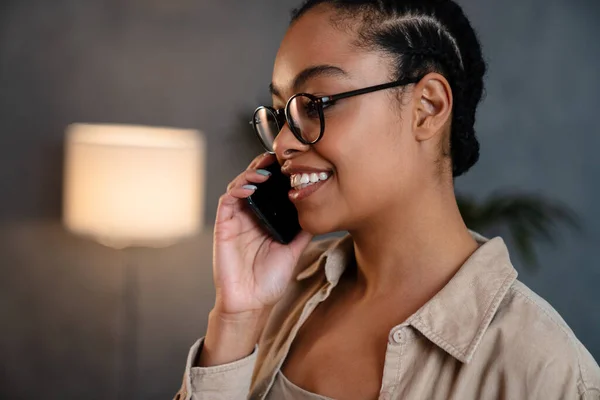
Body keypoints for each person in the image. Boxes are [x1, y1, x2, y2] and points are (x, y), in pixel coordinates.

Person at [174, 0, 600, 399]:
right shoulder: (279, 295)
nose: (283, 142)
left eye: (317, 104)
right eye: (281, 113)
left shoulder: (545, 371)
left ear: (427, 107)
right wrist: (236, 321)